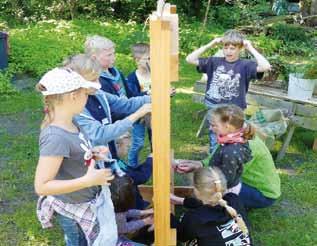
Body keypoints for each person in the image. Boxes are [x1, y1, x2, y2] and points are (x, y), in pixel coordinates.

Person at [34, 67, 117, 246]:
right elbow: (42, 186)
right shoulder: (55, 137)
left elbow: (74, 154)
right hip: (74, 212)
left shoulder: (73, 121)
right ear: (73, 96)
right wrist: (87, 181)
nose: (87, 98)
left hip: (87, 200)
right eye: (85, 94)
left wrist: (92, 154)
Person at [66, 54, 153, 208]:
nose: (98, 83)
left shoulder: (96, 92)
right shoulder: (75, 108)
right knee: (102, 202)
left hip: (105, 157)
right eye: (93, 80)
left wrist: (151, 98)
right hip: (88, 168)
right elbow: (99, 134)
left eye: (98, 78)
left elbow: (123, 104)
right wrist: (136, 116)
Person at [186, 29, 271, 154]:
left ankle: (230, 160)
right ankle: (214, 162)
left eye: (232, 48)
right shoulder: (214, 61)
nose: (228, 51)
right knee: (215, 138)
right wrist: (212, 43)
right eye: (226, 47)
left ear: (240, 49)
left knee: (235, 138)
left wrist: (250, 48)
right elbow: (189, 59)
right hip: (214, 105)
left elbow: (265, 66)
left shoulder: (245, 65)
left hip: (234, 109)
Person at [175, 135, 281, 209]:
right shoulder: (231, 137)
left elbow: (220, 183)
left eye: (214, 125)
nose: (211, 128)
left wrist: (181, 201)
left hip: (263, 195)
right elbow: (216, 159)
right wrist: (199, 164)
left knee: (211, 190)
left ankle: (240, 204)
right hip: (244, 183)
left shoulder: (238, 151)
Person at [171, 167, 252, 246]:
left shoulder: (195, 218)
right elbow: (206, 203)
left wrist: (167, 215)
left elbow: (181, 236)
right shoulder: (234, 199)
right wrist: (181, 201)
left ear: (196, 191)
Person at [125, 43, 152, 168]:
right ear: (137, 60)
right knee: (138, 142)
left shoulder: (156, 75)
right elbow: (132, 97)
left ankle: (155, 165)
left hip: (154, 115)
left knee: (156, 141)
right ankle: (132, 166)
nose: (151, 62)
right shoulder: (132, 78)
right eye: (148, 59)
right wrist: (148, 93)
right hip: (139, 115)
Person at [110, 175, 154, 246]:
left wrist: (144, 212)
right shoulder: (118, 215)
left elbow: (125, 212)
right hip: (111, 241)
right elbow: (124, 228)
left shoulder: (114, 204)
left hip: (113, 235)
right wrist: (146, 221)